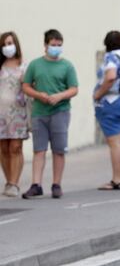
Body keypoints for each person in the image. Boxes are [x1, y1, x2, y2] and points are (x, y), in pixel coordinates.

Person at [22, 29, 78, 199]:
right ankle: (36, 184)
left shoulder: (67, 66)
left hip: (60, 111)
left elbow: (74, 89)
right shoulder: (35, 65)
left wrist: (59, 96)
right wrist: (40, 95)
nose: (56, 48)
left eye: (59, 45)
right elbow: (26, 86)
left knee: (59, 150)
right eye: (53, 45)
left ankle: (56, 184)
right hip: (39, 112)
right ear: (45, 45)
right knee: (39, 150)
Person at [94, 31, 120, 190]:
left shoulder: (111, 57)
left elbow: (111, 76)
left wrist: (99, 93)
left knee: (115, 144)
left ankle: (116, 179)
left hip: (112, 102)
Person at [0, 32, 29, 197]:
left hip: (18, 114)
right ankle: (8, 180)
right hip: (1, 115)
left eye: (10, 43)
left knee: (15, 147)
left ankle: (14, 183)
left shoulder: (24, 66)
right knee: (3, 149)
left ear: (16, 44)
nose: (7, 47)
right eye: (4, 44)